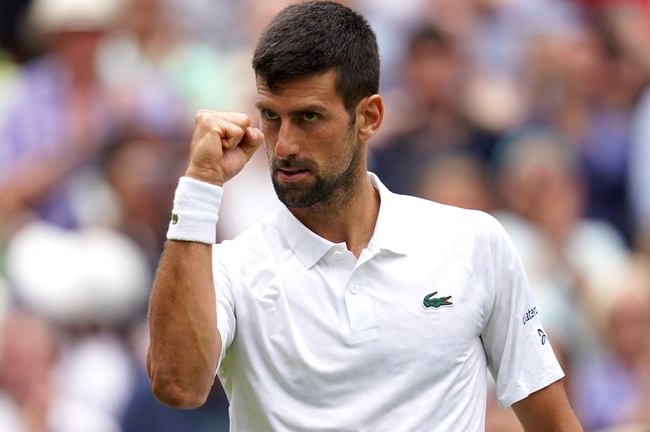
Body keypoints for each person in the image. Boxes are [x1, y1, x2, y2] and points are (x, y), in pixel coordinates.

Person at [147, 2, 582, 430]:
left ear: (369, 117)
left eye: (309, 117)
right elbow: (178, 386)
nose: (283, 146)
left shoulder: (475, 242)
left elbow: (553, 422)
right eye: (271, 117)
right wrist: (199, 189)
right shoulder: (230, 269)